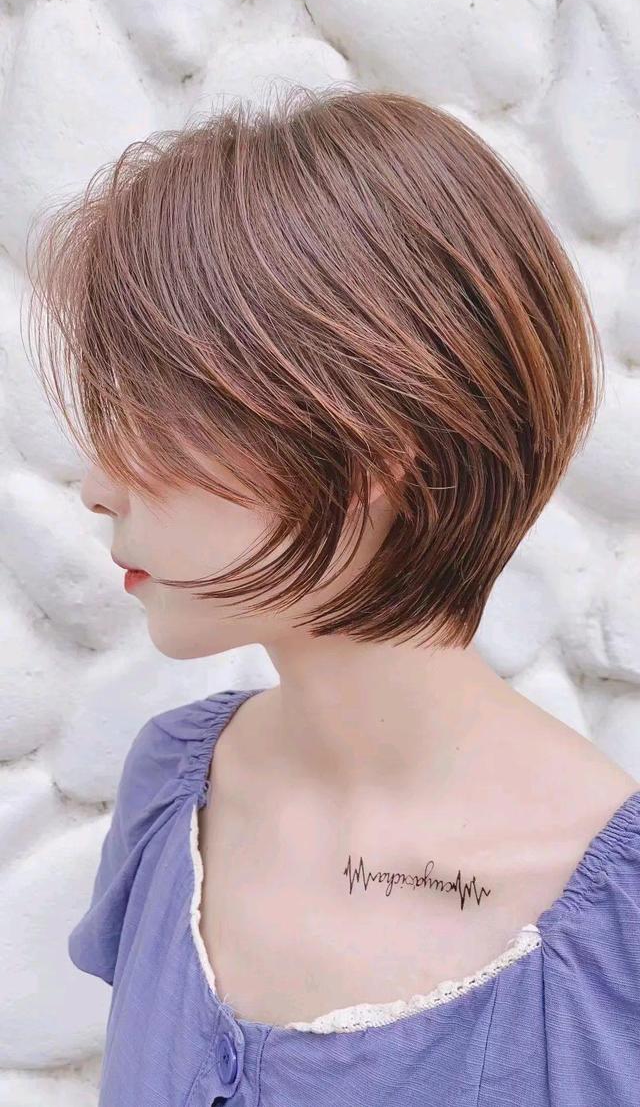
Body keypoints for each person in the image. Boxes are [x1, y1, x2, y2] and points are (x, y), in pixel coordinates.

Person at [25, 84, 640, 1106]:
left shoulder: (614, 934)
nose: (97, 484)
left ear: (369, 447)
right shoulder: (173, 792)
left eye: (155, 412)